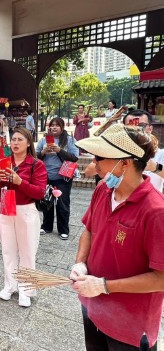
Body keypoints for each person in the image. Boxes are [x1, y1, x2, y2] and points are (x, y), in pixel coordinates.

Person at [70, 123, 164, 350]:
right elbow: (89, 230)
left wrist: (105, 285)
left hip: (130, 325)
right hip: (93, 309)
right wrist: (81, 263)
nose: (94, 164)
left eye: (100, 158)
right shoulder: (103, 190)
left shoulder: (155, 211)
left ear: (125, 163)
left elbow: (160, 278)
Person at [0, 127, 48, 307]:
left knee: (27, 251)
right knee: (8, 249)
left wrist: (20, 181)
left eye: (20, 140)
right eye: (13, 140)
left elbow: (39, 192)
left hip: (25, 210)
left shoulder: (36, 164)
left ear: (28, 143)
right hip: (6, 208)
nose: (15, 143)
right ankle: (10, 285)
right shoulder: (4, 162)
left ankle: (26, 290)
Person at [84, 109, 164, 192]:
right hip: (118, 201)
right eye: (130, 126)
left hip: (149, 203)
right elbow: (89, 171)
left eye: (141, 126)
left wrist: (155, 167)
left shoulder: (161, 154)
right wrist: (112, 157)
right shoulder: (116, 150)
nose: (136, 130)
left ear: (150, 128)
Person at [36, 117, 79, 240]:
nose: (54, 127)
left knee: (62, 204)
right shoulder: (44, 139)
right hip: (46, 177)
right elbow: (35, 157)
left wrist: (59, 150)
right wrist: (43, 152)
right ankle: (46, 226)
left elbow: (74, 157)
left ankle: (63, 229)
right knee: (46, 202)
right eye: (52, 125)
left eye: (57, 125)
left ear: (62, 127)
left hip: (63, 178)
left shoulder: (69, 140)